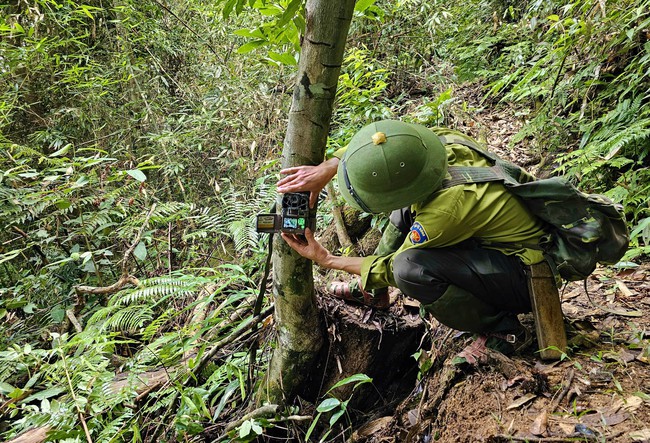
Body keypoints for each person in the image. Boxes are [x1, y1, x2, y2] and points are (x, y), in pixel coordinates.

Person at [276, 119, 546, 364]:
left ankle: (503, 330)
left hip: (529, 275)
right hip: (495, 246)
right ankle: (372, 290)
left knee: (411, 270)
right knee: (404, 205)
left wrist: (328, 259)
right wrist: (330, 166)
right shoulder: (437, 143)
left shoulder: (444, 212)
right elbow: (389, 142)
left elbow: (394, 267)